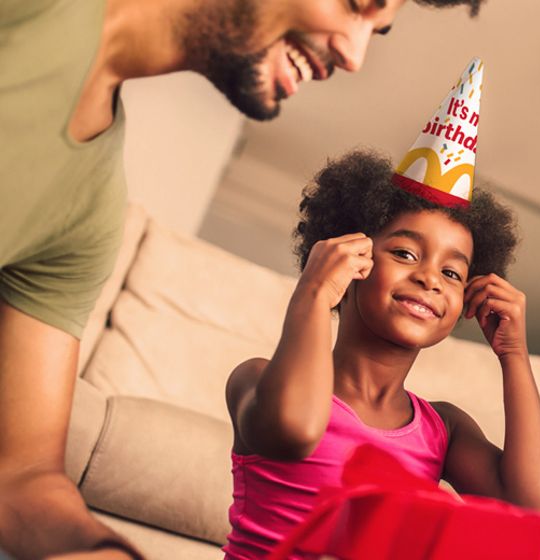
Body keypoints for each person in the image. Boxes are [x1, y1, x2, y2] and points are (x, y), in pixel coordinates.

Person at [0, 0, 481, 557]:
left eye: (378, 29)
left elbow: (22, 479)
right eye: (356, 4)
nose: (354, 54)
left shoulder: (88, 212)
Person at [222, 149, 540, 558]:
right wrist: (313, 291)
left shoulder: (443, 429)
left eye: (452, 273)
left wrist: (515, 354)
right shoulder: (256, 379)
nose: (429, 278)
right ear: (350, 259)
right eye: (405, 253)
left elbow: (532, 511)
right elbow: (294, 428)